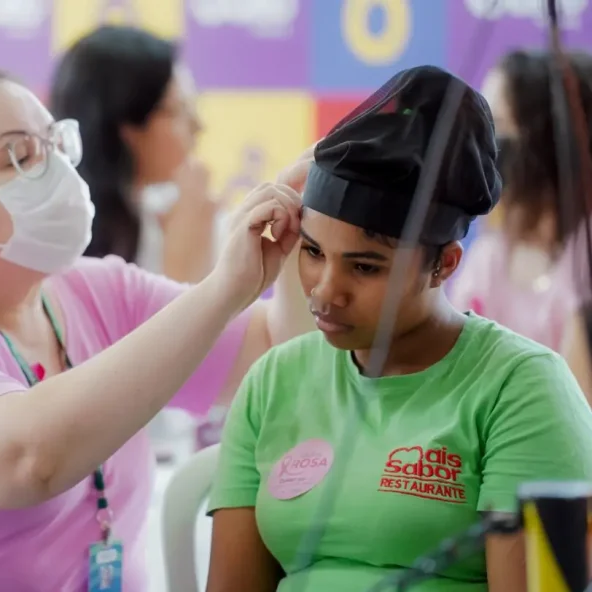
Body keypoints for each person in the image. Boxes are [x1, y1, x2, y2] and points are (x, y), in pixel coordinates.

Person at [0, 67, 308, 592]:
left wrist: (303, 225)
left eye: (54, 142)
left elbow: (275, 352)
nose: (56, 168)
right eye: (18, 156)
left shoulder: (97, 289)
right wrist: (222, 289)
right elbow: (26, 461)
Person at [206, 65, 592, 592]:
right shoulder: (273, 382)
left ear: (445, 265)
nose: (325, 290)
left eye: (365, 267)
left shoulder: (523, 389)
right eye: (314, 253)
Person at [50, 25, 220, 283]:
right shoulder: (57, 245)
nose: (198, 126)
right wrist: (184, 275)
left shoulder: (173, 216)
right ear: (124, 127)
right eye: (177, 110)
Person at [450, 50, 592, 350]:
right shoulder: (487, 261)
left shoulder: (583, 259)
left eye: (499, 126)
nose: (486, 145)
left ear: (547, 141)